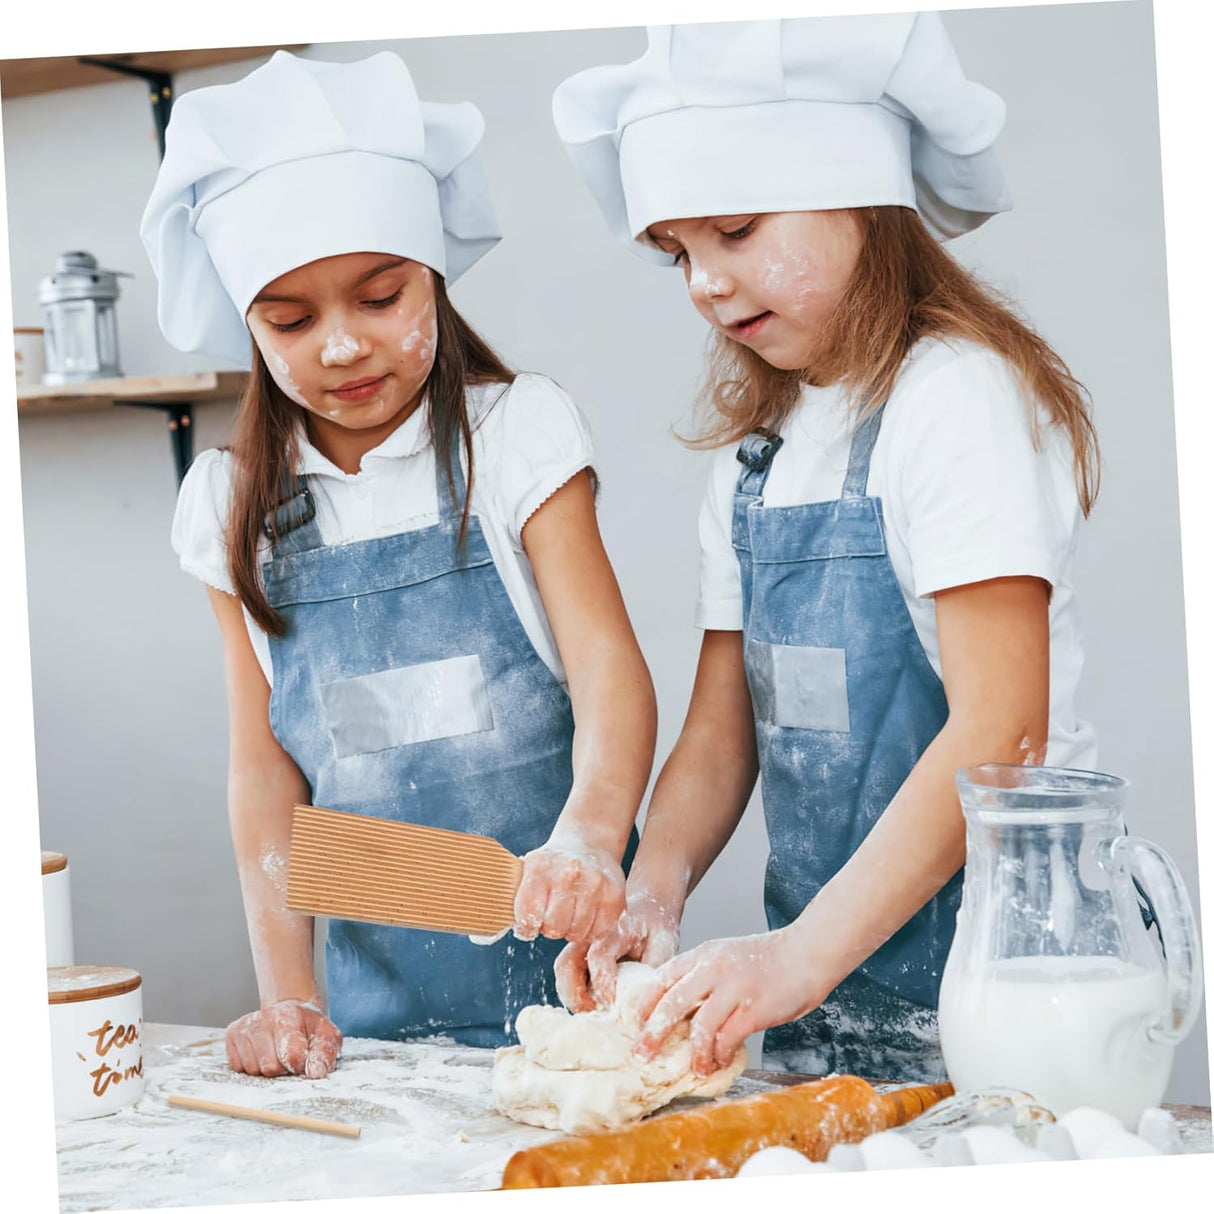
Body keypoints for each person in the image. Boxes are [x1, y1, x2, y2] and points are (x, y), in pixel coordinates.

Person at [550, 14, 1099, 1082]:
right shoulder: (756, 459)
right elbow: (720, 733)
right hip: (833, 1009)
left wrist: (795, 955)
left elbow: (1003, 724)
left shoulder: (952, 400)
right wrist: (647, 888)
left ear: (860, 203)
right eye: (677, 252)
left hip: (1010, 987)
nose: (703, 281)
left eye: (736, 230)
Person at [143, 50, 655, 1079]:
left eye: (379, 297)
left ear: (432, 276)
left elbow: (608, 670)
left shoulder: (517, 438)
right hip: (378, 1040)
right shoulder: (229, 505)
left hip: (581, 1005)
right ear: (249, 323)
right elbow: (264, 772)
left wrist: (592, 835)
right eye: (290, 319)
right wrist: (287, 994)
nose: (339, 345)